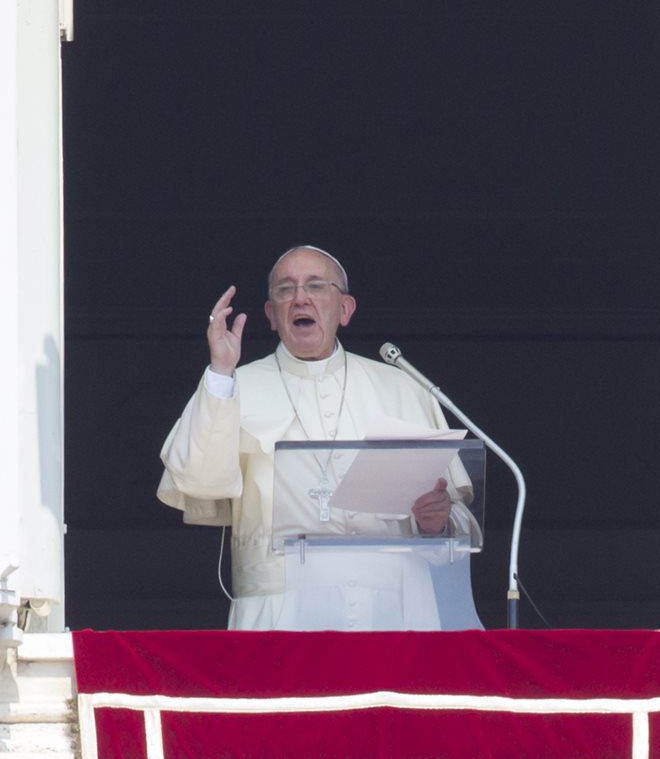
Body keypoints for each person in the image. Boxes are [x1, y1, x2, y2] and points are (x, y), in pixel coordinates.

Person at [158, 245, 481, 630]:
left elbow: (456, 519)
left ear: (344, 309)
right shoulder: (233, 386)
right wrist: (220, 370)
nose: (299, 298)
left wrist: (437, 523)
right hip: (280, 611)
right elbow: (198, 482)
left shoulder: (400, 388)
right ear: (271, 316)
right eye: (284, 290)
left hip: (395, 611)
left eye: (315, 285)